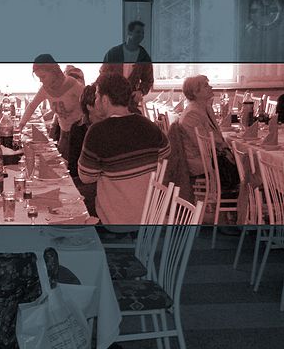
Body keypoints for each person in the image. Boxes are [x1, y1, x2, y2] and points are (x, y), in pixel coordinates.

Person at [78, 73, 170, 230]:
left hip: (114, 220)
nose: (96, 101)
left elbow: (86, 177)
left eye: (97, 96)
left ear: (105, 100)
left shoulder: (97, 131)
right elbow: (165, 153)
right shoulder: (148, 125)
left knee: (72, 205)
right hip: (149, 217)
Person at [18, 54, 85, 159]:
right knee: (62, 161)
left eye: (43, 76)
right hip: (64, 132)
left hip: (80, 132)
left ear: (54, 72)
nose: (41, 80)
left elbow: (89, 103)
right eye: (39, 78)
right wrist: (21, 125)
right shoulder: (45, 89)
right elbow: (32, 106)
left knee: (72, 164)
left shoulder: (72, 84)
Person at [101, 20, 154, 114]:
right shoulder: (113, 53)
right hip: (112, 101)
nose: (141, 36)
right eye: (138, 32)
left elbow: (148, 80)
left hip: (131, 102)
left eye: (143, 33)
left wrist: (141, 91)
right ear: (129, 33)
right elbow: (103, 76)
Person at [68, 84, 101, 217]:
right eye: (99, 101)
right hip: (85, 177)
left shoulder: (107, 128)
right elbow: (73, 166)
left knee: (70, 197)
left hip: (101, 183)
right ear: (89, 106)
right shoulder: (78, 128)